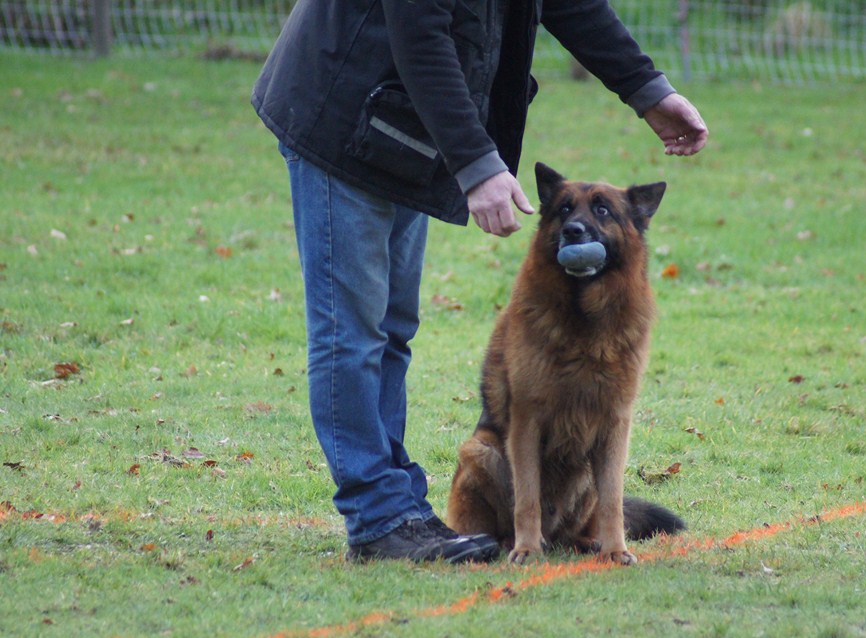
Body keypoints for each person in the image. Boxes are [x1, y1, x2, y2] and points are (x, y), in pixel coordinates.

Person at [251, 0, 707, 564]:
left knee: (391, 331)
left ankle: (399, 510)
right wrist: (477, 164)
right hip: (341, 105)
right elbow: (420, 34)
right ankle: (378, 519)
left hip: (400, 125)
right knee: (352, 334)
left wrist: (647, 89)